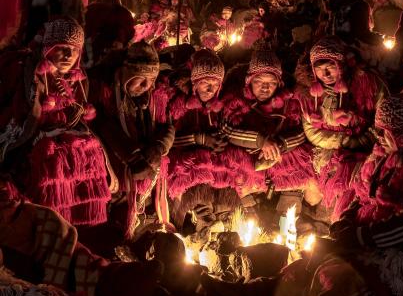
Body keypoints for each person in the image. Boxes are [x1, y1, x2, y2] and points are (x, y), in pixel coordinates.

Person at [277, 95, 403, 296]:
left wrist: (362, 237)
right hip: (368, 238)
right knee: (302, 268)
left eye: (384, 131)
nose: (377, 136)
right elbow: (362, 195)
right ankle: (259, 292)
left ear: (401, 134)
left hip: (399, 250)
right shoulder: (382, 156)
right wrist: (346, 221)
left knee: (345, 285)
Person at [0, 17, 111, 227]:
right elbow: (21, 113)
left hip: (68, 135)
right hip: (39, 136)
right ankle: (47, 223)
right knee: (49, 157)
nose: (69, 56)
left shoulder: (77, 79)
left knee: (90, 151)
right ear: (48, 48)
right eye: (62, 48)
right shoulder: (30, 71)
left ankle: (72, 219)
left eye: (75, 50)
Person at [89, 41, 174, 238]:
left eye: (151, 80)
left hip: (146, 168)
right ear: (125, 74)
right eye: (140, 80)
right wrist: (132, 157)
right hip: (117, 172)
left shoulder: (157, 97)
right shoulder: (105, 94)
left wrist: (159, 147)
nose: (146, 86)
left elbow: (168, 126)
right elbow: (103, 126)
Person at [222, 47, 320, 219]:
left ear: (279, 84)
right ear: (249, 81)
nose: (265, 88)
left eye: (272, 83)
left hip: (281, 154)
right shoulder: (236, 100)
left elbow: (301, 131)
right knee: (231, 164)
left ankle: (289, 215)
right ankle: (246, 212)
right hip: (250, 154)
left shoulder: (290, 102)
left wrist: (280, 145)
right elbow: (228, 130)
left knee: (304, 164)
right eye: (259, 81)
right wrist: (260, 141)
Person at [299, 36, 387, 221]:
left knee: (353, 181)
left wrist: (363, 140)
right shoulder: (309, 94)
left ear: (341, 64)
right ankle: (316, 218)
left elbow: (383, 118)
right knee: (317, 179)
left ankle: (342, 219)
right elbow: (311, 129)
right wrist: (342, 141)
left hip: (363, 148)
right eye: (319, 68)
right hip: (328, 149)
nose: (326, 73)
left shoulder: (367, 84)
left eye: (330, 66)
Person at [153, 49, 243, 229]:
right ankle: (201, 221)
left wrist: (220, 142)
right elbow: (170, 140)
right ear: (194, 85)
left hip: (213, 159)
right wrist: (200, 139)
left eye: (214, 85)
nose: (210, 89)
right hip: (185, 161)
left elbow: (226, 131)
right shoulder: (178, 106)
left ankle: (222, 221)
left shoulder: (219, 108)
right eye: (205, 84)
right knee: (198, 190)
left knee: (226, 184)